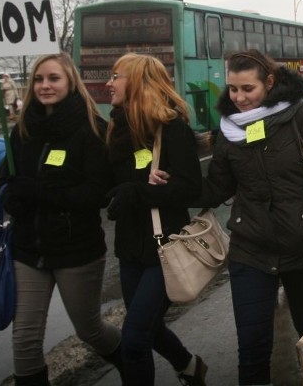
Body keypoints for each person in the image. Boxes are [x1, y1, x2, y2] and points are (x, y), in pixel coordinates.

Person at [204, 50, 303, 385]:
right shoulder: (229, 129)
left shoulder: (301, 117)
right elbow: (216, 187)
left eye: (247, 89)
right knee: (252, 349)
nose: (239, 98)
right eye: (233, 89)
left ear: (269, 83)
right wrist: (173, 177)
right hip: (250, 250)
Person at [2, 53, 123, 386]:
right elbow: (4, 176)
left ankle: (131, 359)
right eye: (39, 79)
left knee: (90, 331)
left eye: (53, 78)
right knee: (24, 341)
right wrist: (9, 191)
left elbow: (96, 194)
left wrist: (38, 192)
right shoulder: (24, 126)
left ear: (70, 82)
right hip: (28, 250)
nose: (45, 85)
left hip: (76, 251)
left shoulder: (91, 128)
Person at [104, 53, 206, 386]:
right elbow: (109, 185)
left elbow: (191, 188)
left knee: (133, 340)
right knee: (147, 325)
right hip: (130, 249)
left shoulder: (172, 128)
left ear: (136, 82)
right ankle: (189, 366)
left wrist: (138, 192)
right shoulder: (117, 128)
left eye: (116, 76)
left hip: (164, 249)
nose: (109, 83)